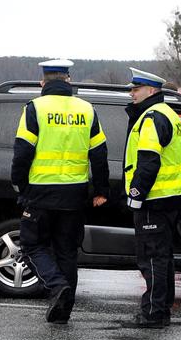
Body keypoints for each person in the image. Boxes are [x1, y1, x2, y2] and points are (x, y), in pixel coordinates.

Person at [12, 59, 109, 324]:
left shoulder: (35, 108)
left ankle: (57, 287)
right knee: (66, 250)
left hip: (41, 192)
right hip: (75, 193)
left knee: (32, 245)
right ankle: (63, 311)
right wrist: (101, 189)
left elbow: (22, 152)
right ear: (68, 80)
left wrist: (20, 186)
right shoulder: (86, 110)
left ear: (43, 82)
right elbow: (99, 154)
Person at [124, 67, 181, 328]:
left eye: (136, 89)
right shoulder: (169, 114)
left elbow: (148, 162)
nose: (131, 94)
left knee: (151, 258)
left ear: (151, 91)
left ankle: (153, 313)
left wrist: (136, 194)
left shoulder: (151, 117)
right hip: (171, 197)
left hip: (154, 199)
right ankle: (161, 310)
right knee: (163, 257)